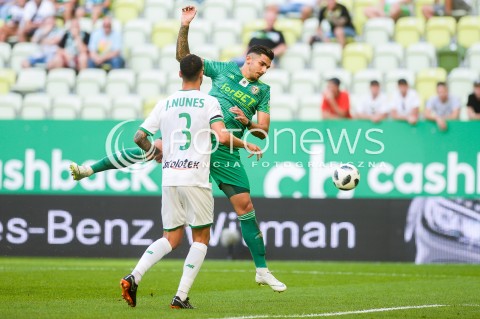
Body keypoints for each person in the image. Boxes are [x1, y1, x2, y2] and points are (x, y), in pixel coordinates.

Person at [70, 6, 287, 293]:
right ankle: (90, 168)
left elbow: (263, 132)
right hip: (202, 136)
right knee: (156, 147)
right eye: (261, 64)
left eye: (268, 68)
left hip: (226, 151)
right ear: (249, 59)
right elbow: (186, 60)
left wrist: (248, 123)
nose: (263, 70)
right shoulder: (223, 70)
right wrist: (184, 26)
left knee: (245, 207)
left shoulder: (264, 92)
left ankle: (261, 270)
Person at [119, 54, 262, 309]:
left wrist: (154, 153)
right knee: (201, 238)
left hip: (170, 176)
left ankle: (134, 276)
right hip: (195, 177)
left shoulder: (165, 103)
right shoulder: (209, 102)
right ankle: (180, 296)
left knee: (171, 238)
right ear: (201, 76)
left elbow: (139, 136)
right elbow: (221, 135)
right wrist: (246, 142)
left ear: (179, 74)